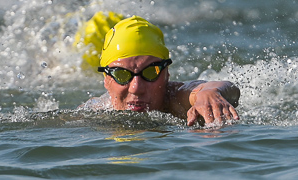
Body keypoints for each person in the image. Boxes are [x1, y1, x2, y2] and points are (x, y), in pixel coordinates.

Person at [79, 14, 240, 126]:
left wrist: (209, 93)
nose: (137, 88)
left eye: (150, 72)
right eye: (122, 75)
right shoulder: (94, 113)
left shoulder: (175, 100)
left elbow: (219, 88)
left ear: (166, 74)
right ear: (106, 80)